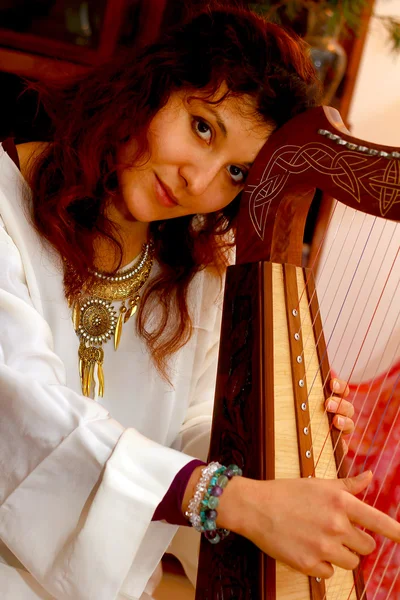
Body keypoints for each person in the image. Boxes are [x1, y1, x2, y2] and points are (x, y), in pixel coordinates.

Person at [0, 4, 398, 600]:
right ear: (152, 86)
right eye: (202, 126)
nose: (199, 180)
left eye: (237, 172)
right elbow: (24, 411)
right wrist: (229, 499)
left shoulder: (196, 268)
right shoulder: (4, 203)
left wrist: (282, 435)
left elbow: (191, 426)